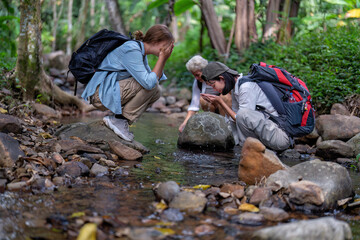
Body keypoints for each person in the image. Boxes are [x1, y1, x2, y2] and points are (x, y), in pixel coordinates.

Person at [82, 24, 174, 141]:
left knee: (156, 90)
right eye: (166, 45)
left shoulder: (141, 52)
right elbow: (149, 83)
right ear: (156, 41)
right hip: (99, 94)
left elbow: (154, 78)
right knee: (151, 86)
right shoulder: (131, 49)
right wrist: (162, 58)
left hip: (108, 92)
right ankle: (117, 120)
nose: (167, 49)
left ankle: (120, 120)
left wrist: (164, 59)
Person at [200, 62, 291, 151]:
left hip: (280, 137)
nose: (213, 89)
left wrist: (221, 102)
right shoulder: (236, 87)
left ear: (222, 78)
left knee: (243, 114)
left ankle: (251, 152)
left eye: (213, 85)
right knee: (238, 118)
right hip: (269, 133)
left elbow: (242, 118)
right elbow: (234, 120)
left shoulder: (246, 87)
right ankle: (241, 150)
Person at [178, 55, 232, 132]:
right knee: (203, 100)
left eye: (197, 75)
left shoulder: (219, 75)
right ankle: (212, 127)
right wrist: (184, 123)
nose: (196, 78)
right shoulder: (197, 82)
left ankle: (226, 127)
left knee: (225, 97)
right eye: (194, 75)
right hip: (213, 109)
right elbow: (194, 106)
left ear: (204, 70)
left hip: (227, 108)